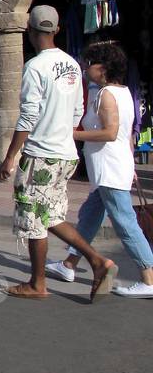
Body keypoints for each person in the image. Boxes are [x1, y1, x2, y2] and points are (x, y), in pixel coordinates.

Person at [0, 5, 116, 301]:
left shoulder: (35, 67)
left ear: (30, 30)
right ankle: (96, 262)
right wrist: (63, 132)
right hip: (66, 154)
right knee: (49, 215)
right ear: (57, 30)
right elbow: (77, 110)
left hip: (41, 154)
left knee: (35, 219)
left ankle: (38, 283)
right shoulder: (73, 65)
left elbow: (28, 117)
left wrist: (10, 156)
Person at [45, 42, 153, 298]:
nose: (85, 68)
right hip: (110, 168)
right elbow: (126, 134)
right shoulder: (122, 92)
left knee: (125, 224)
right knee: (90, 216)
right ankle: (69, 264)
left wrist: (72, 134)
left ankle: (149, 277)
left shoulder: (107, 95)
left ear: (103, 68)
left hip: (109, 169)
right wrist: (131, 163)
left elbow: (111, 132)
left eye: (89, 64)